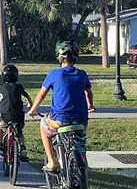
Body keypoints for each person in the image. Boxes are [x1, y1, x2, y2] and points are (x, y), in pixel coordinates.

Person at [27, 41, 94, 173]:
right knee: (79, 141)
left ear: (60, 57)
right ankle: (84, 171)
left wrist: (33, 109)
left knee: (43, 125)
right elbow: (89, 93)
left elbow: (41, 94)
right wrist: (90, 105)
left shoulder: (54, 74)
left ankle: (52, 162)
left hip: (60, 120)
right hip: (81, 120)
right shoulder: (82, 74)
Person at [0, 64, 31, 160]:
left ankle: (0, 145)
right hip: (19, 116)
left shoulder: (1, 88)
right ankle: (22, 147)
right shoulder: (19, 87)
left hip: (6, 116)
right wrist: (30, 104)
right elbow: (27, 96)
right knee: (19, 131)